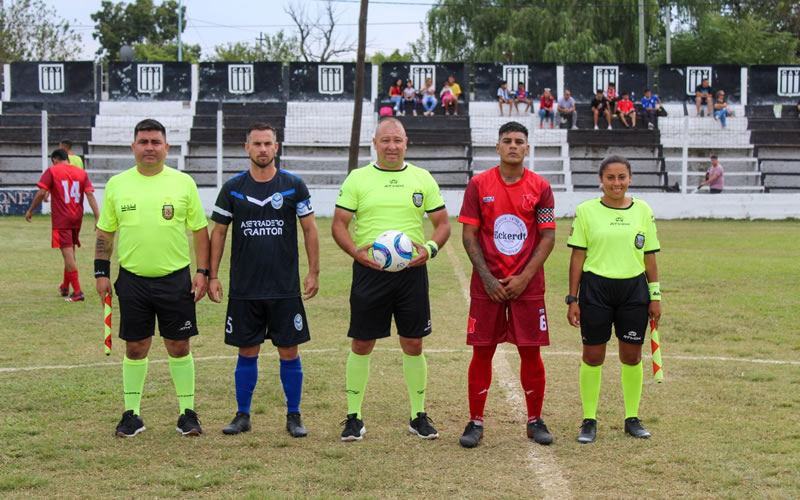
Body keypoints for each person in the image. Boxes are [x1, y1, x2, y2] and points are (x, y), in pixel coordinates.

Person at [332, 117, 451, 441]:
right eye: (385, 140)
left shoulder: (421, 178)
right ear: (375, 143)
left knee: (413, 342)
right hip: (370, 272)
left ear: (406, 142)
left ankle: (418, 415)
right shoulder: (358, 179)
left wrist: (429, 248)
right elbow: (339, 224)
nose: (391, 146)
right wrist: (357, 253)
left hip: (411, 274)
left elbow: (442, 224)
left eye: (397, 140)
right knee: (362, 342)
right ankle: (353, 417)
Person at [95, 118, 210, 438]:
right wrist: (101, 272)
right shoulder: (118, 184)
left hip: (176, 280)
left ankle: (187, 413)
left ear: (166, 147)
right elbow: (106, 231)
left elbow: (200, 231)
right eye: (143, 142)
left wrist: (202, 272)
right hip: (132, 280)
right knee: (135, 347)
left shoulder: (183, 182)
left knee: (178, 345)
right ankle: (132, 414)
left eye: (155, 142)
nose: (149, 147)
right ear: (133, 146)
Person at [208, 122, 320, 438]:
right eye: (256, 144)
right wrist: (212, 275)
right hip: (245, 288)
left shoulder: (294, 186)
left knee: (289, 352)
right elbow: (219, 232)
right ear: (247, 147)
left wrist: (313, 271)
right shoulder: (232, 188)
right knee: (247, 351)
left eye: (267, 144)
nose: (262, 149)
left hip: (284, 288)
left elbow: (310, 229)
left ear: (276, 147)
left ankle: (294, 416)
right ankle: (242, 415)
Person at [457, 121, 556, 448]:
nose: (513, 146)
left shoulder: (540, 187)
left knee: (531, 352)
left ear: (527, 148)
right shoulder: (478, 184)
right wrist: (488, 279)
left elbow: (548, 237)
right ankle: (475, 421)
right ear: (498, 147)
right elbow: (468, 235)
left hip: (527, 286)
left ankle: (535, 420)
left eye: (519, 141)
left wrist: (524, 278)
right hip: (488, 286)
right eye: (507, 141)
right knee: (482, 352)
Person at [566, 155, 661, 444]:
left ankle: (631, 418)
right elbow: (577, 256)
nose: (616, 183)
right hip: (596, 290)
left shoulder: (643, 210)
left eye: (622, 177)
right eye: (610, 177)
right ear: (601, 180)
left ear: (630, 178)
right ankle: (589, 420)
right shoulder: (586, 211)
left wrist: (655, 295)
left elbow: (649, 256)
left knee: (631, 356)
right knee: (593, 356)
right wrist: (573, 298)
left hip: (634, 291)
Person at [25, 148, 99, 302]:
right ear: (68, 159)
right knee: (70, 253)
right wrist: (97, 216)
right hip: (76, 218)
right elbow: (90, 194)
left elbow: (41, 192)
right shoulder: (81, 173)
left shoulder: (52, 171)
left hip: (62, 219)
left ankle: (77, 292)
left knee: (67, 255)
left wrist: (31, 210)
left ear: (54, 160)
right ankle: (65, 287)